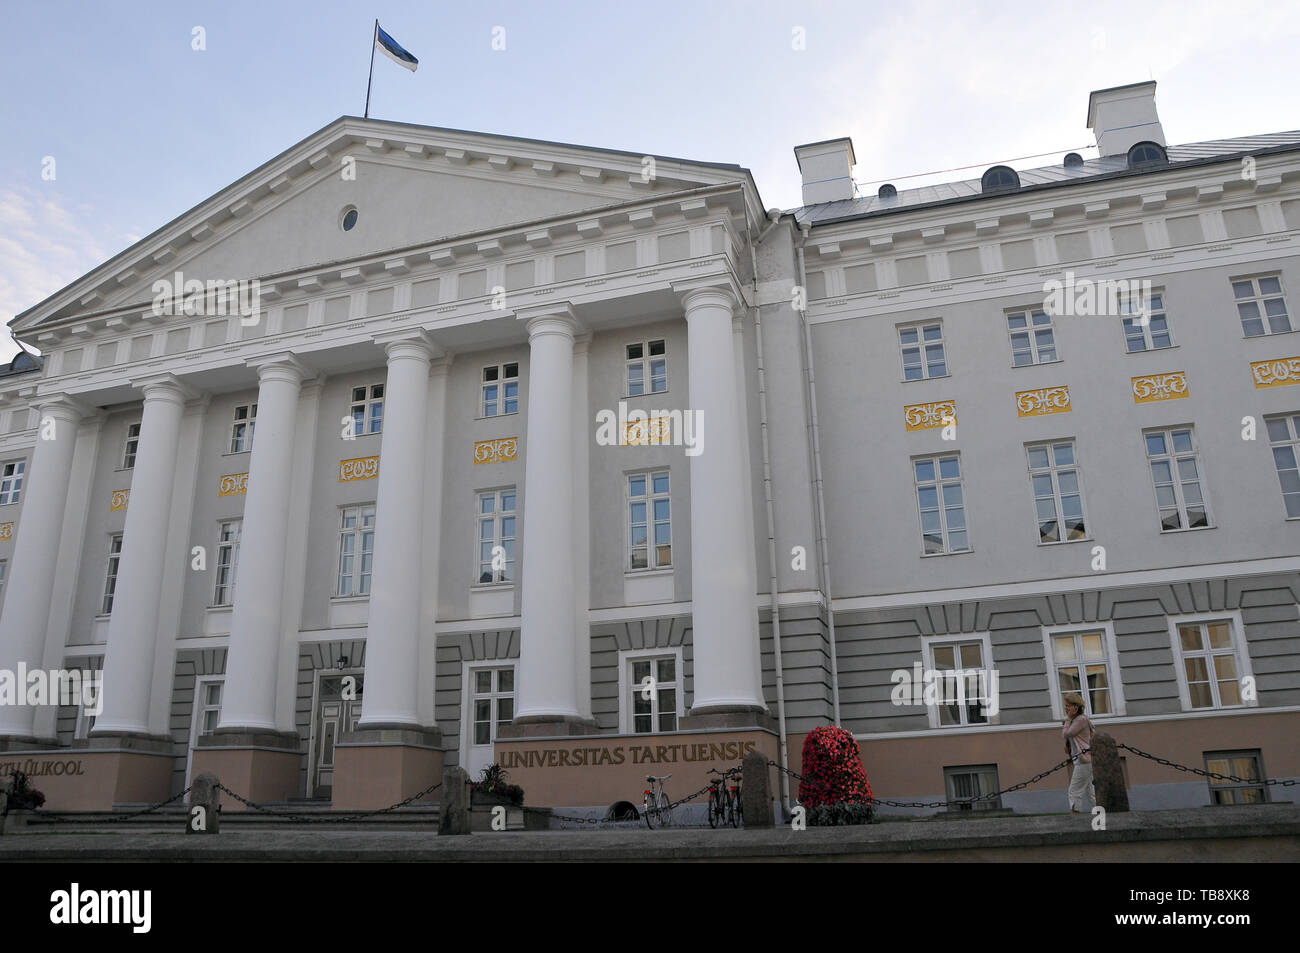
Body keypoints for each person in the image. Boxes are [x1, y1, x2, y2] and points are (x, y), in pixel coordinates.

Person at [1062, 692, 1096, 813]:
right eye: (1065, 705)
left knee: (1074, 791)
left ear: (1075, 707)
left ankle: (1076, 820)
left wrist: (1068, 719)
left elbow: (1067, 733)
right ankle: (1104, 814)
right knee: (1091, 792)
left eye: (1068, 705)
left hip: (1084, 760)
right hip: (1083, 759)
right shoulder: (1078, 719)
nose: (1065, 708)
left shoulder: (1080, 719)